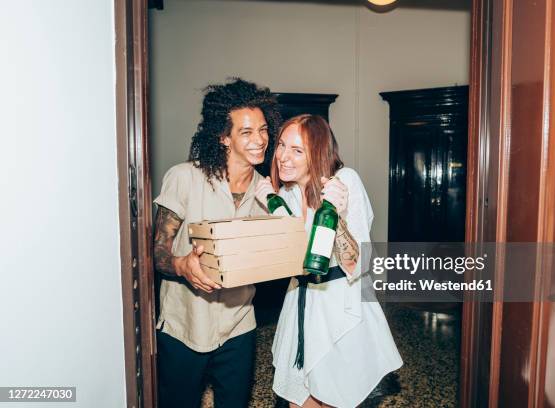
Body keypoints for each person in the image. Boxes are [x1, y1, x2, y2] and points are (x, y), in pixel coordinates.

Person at [255, 114, 403, 408]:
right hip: (301, 302)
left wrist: (339, 215)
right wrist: (273, 203)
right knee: (298, 396)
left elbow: (355, 264)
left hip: (339, 305)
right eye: (282, 145)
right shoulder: (286, 192)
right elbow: (291, 255)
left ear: (318, 152)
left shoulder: (344, 181)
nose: (283, 157)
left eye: (297, 150)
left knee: (335, 394)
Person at [152, 78, 282, 408]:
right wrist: (182, 265)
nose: (260, 140)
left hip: (239, 325)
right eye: (247, 132)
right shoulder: (184, 178)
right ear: (223, 137)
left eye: (264, 130)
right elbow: (157, 250)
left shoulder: (268, 194)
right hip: (185, 326)